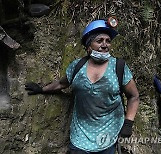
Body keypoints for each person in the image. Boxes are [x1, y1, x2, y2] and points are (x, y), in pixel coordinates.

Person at [25, 17, 139, 154]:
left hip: (109, 132)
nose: (105, 45)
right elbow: (61, 84)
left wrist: (128, 123)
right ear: (88, 46)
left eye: (108, 41)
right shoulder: (77, 67)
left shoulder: (119, 67)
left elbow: (133, 96)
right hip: (81, 134)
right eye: (99, 41)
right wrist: (42, 89)